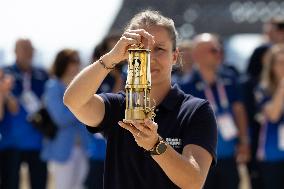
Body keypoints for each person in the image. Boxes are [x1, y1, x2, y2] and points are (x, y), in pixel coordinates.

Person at [64, 10, 217, 189]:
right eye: (140, 49)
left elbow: (193, 182)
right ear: (128, 54)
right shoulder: (118, 106)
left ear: (174, 56)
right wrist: (112, 57)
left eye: (159, 49)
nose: (149, 58)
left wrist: (155, 144)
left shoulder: (195, 111)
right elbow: (73, 101)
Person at [180, 33, 250, 189]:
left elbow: (239, 110)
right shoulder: (185, 85)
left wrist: (244, 140)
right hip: (200, 157)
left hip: (228, 153)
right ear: (197, 55)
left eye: (219, 49)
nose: (219, 53)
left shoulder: (230, 78)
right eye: (213, 50)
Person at [1, 38, 48, 189]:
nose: (28, 52)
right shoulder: (5, 73)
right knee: (10, 184)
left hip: (37, 141)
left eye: (30, 49)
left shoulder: (41, 74)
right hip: (10, 142)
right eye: (24, 49)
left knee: (39, 183)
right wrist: (7, 95)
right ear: (15, 51)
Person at [41, 49, 89, 189]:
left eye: (78, 61)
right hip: (62, 149)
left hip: (83, 147)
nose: (77, 65)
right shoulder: (53, 86)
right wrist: (81, 106)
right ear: (63, 63)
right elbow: (60, 118)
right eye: (73, 61)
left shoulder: (81, 86)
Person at [254, 44, 284, 189]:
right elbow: (273, 115)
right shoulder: (263, 89)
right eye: (281, 62)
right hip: (273, 155)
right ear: (272, 66)